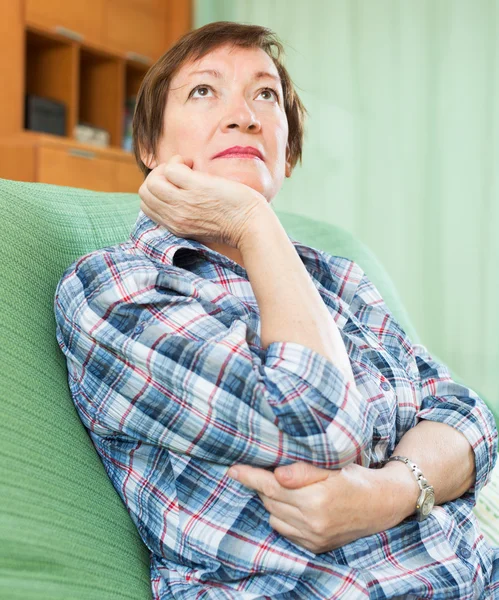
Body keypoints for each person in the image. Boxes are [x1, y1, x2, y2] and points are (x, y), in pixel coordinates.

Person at [54, 20, 499, 599]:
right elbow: (317, 427)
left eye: (265, 94)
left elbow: (469, 419)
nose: (245, 115)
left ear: (287, 151)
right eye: (204, 91)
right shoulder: (114, 289)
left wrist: (389, 491)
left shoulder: (338, 278)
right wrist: (251, 222)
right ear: (149, 147)